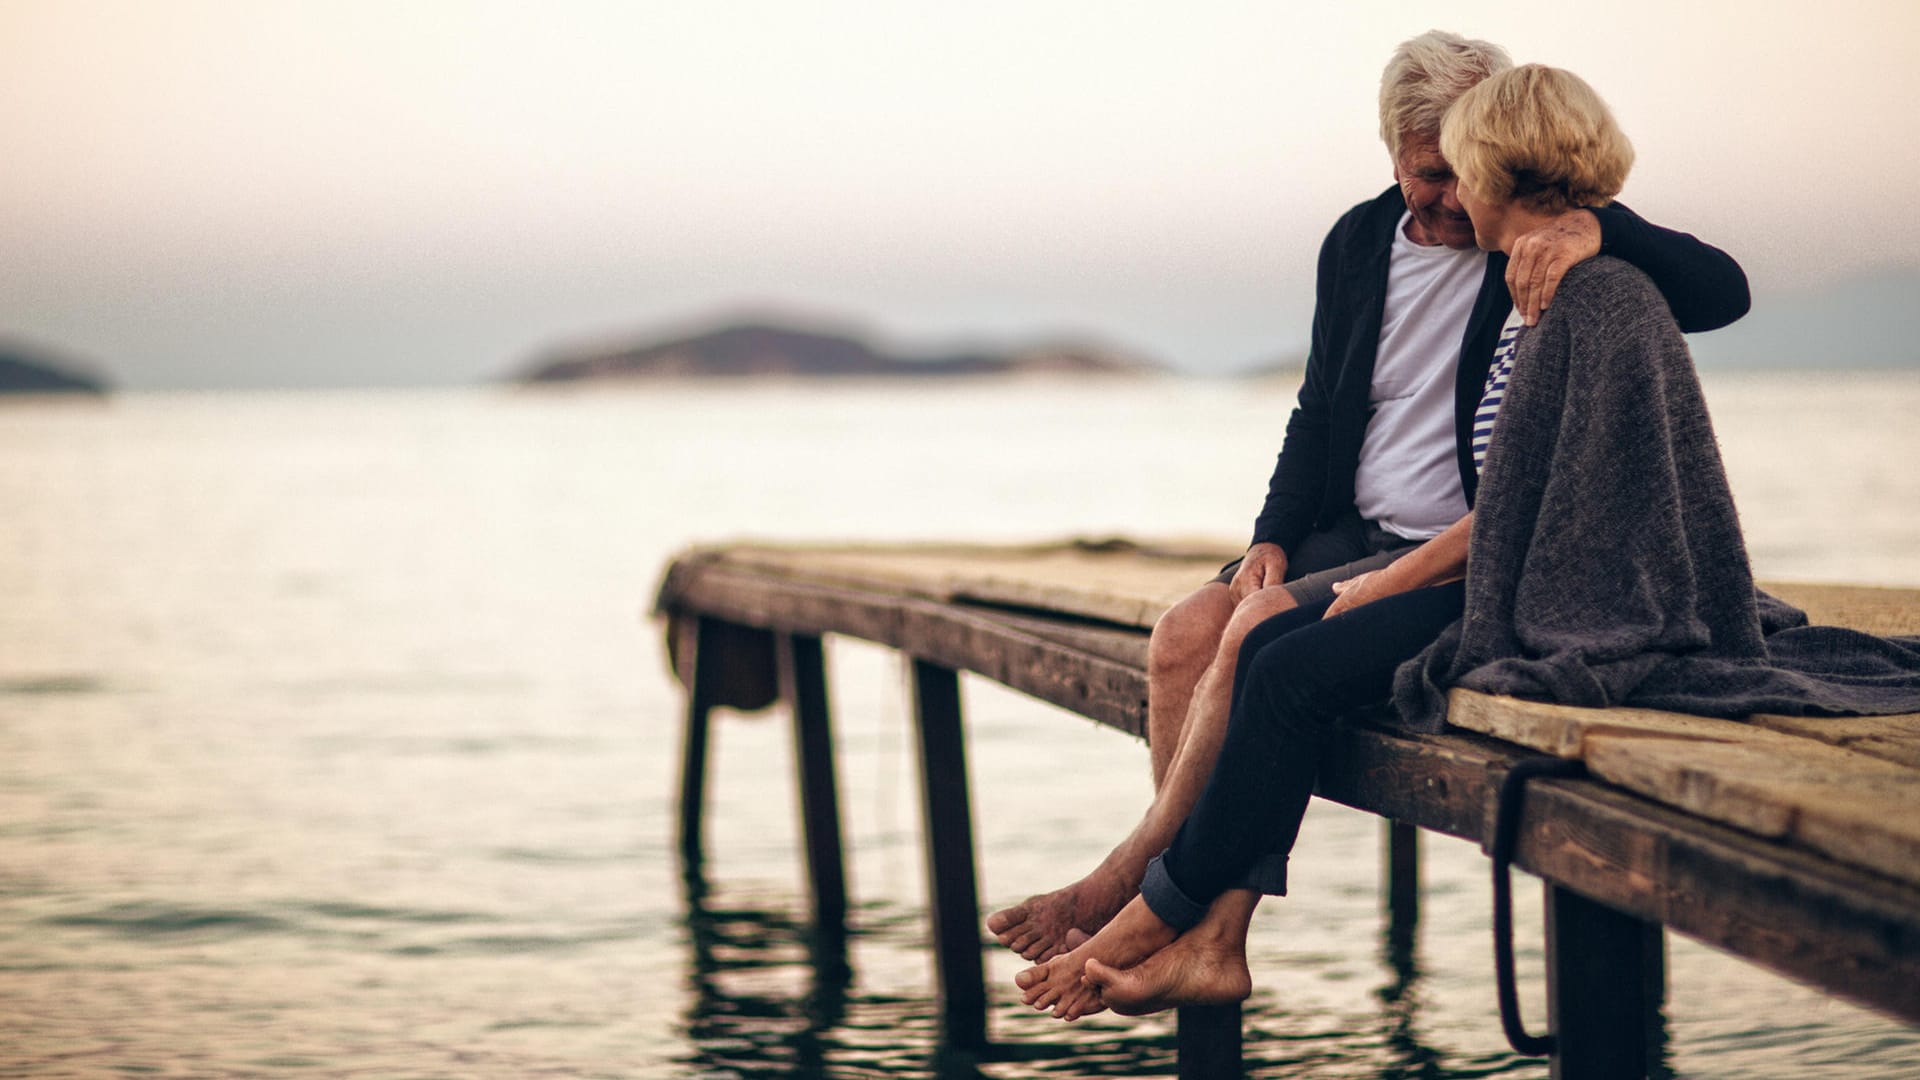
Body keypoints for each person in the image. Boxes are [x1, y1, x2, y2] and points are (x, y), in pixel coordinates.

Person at [1015, 61, 1920, 1023]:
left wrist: (1601, 224)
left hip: (1504, 572)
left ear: (1495, 163)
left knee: (1268, 652)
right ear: (1396, 161)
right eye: (1427, 172)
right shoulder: (1371, 243)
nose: (1449, 195)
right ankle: (1181, 917)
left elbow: (1549, 470)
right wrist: (1277, 537)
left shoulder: (1569, 270)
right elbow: (1328, 409)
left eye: (1462, 170)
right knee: (1194, 635)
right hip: (1427, 549)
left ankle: (1152, 909)